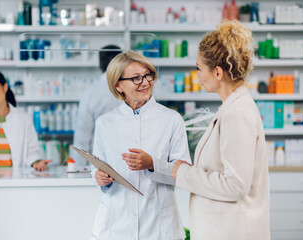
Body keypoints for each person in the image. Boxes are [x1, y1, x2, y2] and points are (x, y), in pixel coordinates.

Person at [172, 20, 270, 240]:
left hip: (232, 232)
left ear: (217, 72)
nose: (197, 74)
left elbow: (235, 185)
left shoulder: (236, 114)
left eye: (199, 68)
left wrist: (184, 174)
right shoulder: (232, 107)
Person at [91, 51, 191, 240]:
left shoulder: (171, 119)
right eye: (136, 78)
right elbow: (98, 164)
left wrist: (152, 164)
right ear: (118, 85)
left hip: (159, 225)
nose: (145, 82)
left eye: (148, 75)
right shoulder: (105, 123)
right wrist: (99, 176)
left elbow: (184, 172)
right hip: (116, 225)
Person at [72, 45, 122, 168]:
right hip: (131, 161)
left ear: (100, 63)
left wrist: (78, 168)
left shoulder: (91, 93)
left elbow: (83, 136)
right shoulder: (132, 88)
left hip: (100, 163)